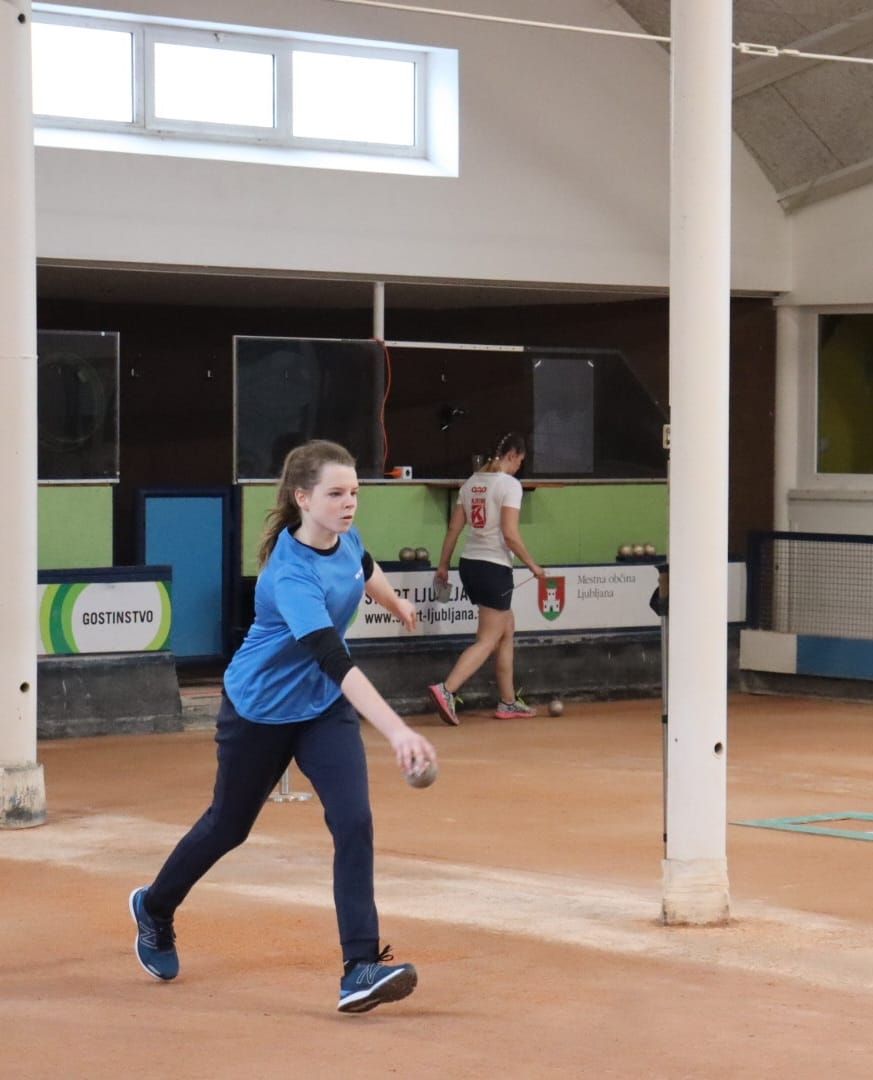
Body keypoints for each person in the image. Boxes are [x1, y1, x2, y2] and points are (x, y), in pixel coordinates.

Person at [129, 439, 437, 1015]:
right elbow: (333, 659)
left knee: (354, 821)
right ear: (303, 498)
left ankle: (359, 967)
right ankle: (155, 907)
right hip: (259, 711)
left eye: (354, 493)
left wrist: (395, 602)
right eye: (336, 494)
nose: (349, 504)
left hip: (322, 710)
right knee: (228, 827)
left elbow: (364, 566)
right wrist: (397, 730)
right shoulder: (290, 575)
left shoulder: (347, 539)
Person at [428, 432, 546, 725]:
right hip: (494, 567)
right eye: (520, 461)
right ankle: (447, 690)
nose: (519, 467)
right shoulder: (509, 485)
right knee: (487, 639)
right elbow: (510, 534)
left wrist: (443, 565)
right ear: (512, 455)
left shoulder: (471, 483)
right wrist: (533, 565)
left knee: (506, 628)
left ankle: (508, 702)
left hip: (470, 565)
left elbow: (454, 530)